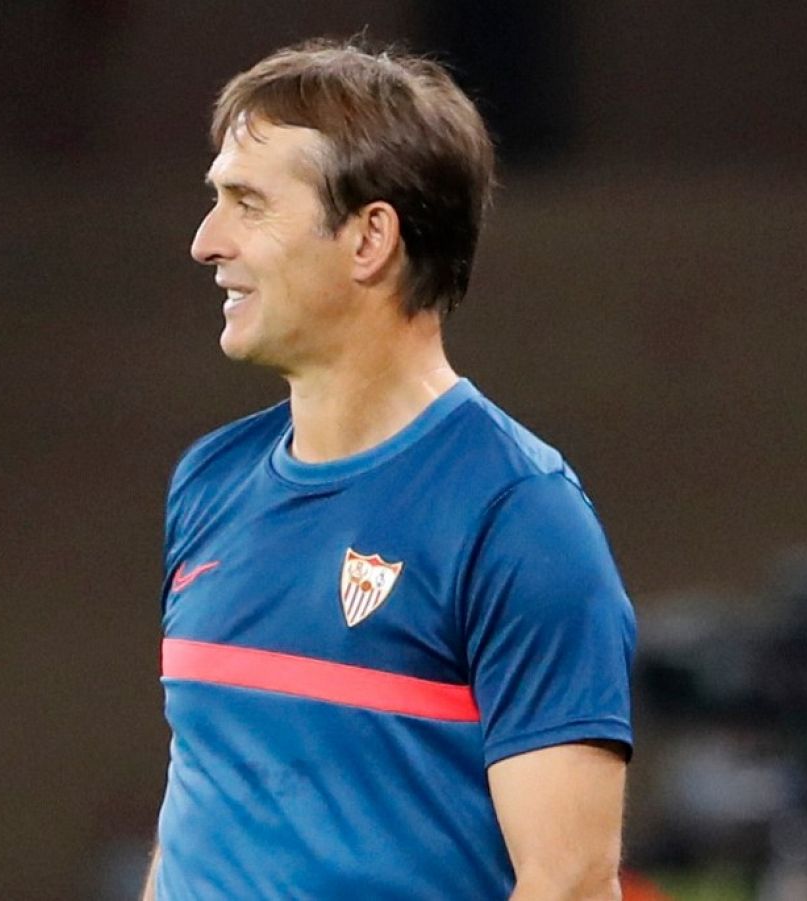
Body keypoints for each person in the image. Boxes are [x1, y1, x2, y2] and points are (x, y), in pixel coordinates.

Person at [145, 39, 635, 899]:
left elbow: (570, 882)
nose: (205, 242)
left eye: (247, 204)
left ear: (370, 236)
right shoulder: (209, 483)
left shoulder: (519, 517)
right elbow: (201, 804)